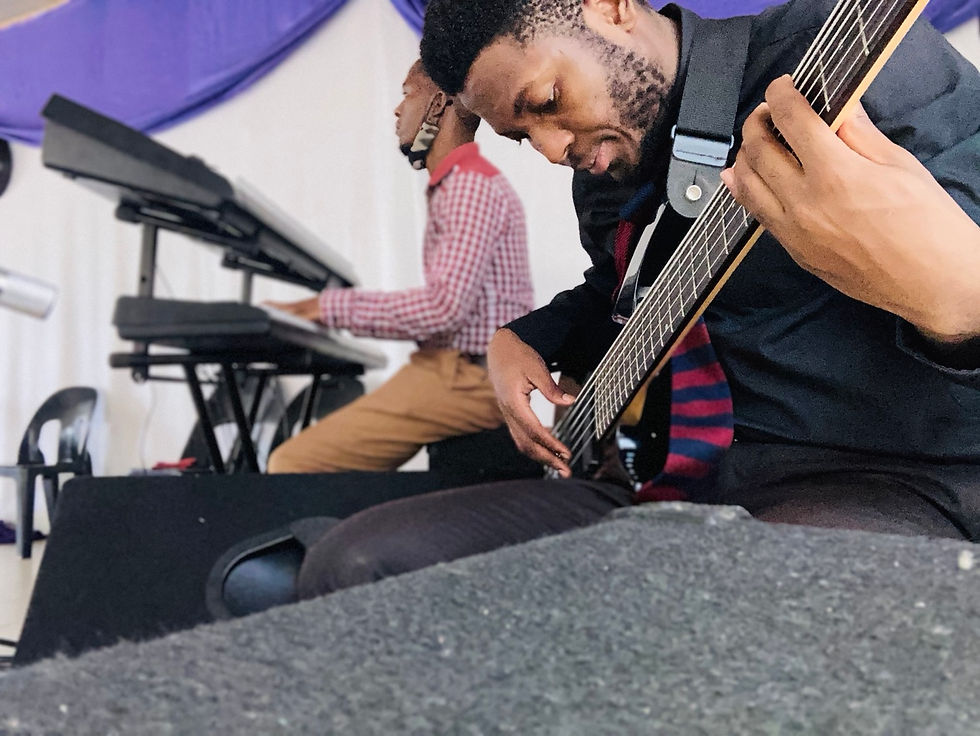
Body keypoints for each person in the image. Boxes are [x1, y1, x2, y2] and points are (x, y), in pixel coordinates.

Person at [294, 0, 980, 597]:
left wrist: (952, 298)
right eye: (522, 137)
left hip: (885, 479)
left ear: (611, 7)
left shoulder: (838, 62)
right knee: (354, 564)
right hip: (661, 481)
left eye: (547, 102)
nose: (551, 149)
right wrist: (528, 337)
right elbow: (623, 294)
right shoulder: (603, 176)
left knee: (744, 597)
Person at [266, 60, 534, 474]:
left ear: (438, 104)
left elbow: (442, 308)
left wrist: (326, 308)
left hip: (465, 379)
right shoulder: (462, 182)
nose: (397, 109)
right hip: (456, 371)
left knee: (291, 464)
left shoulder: (468, 186)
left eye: (408, 94)